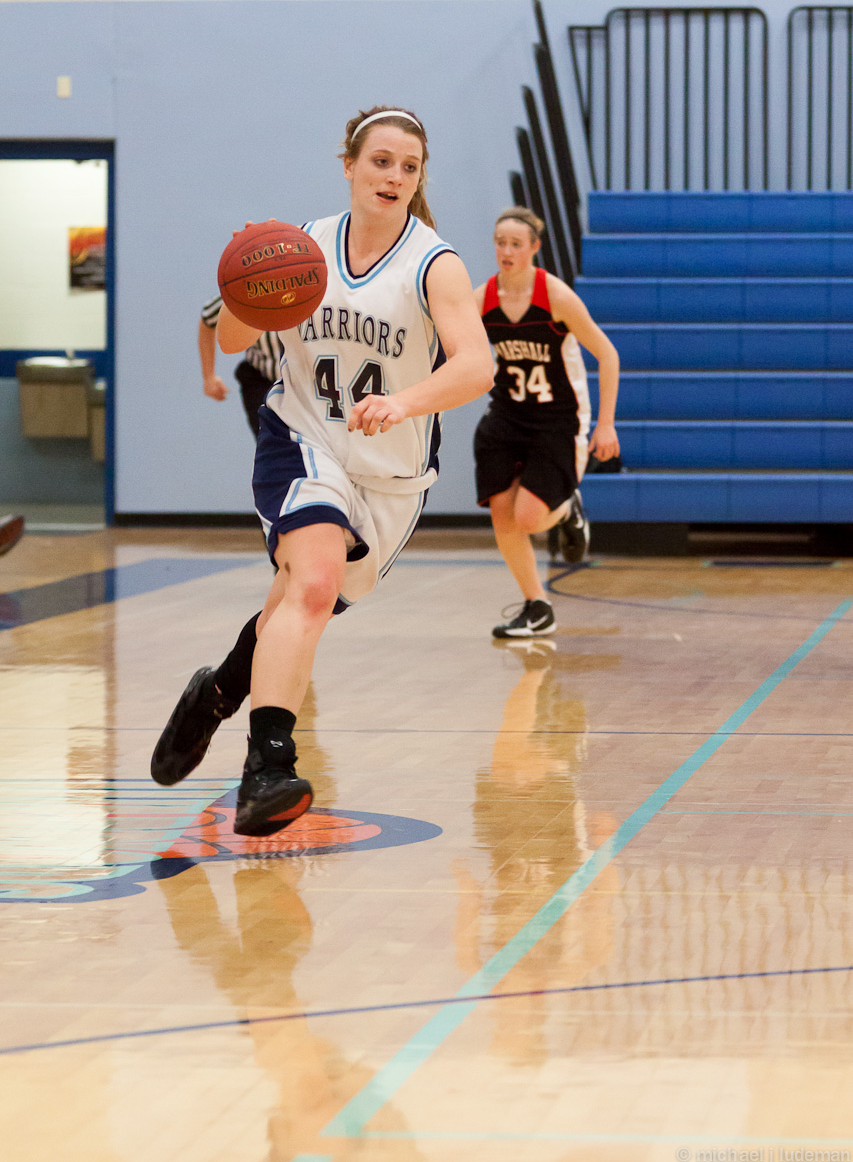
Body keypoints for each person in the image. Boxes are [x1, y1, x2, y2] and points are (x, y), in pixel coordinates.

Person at [151, 106, 494, 836]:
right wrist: (245, 281)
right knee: (311, 582)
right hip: (303, 438)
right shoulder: (301, 247)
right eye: (380, 161)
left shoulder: (434, 263)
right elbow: (235, 337)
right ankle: (268, 769)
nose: (394, 176)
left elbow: (476, 367)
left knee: (295, 606)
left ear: (419, 179)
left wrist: (403, 402)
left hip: (391, 475)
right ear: (349, 166)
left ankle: (216, 694)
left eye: (409, 166)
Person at [473, 207, 620, 640]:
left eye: (516, 244)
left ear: (535, 248)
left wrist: (606, 425)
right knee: (502, 513)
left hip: (558, 419)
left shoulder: (555, 297)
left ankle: (568, 509)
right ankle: (537, 605)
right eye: (500, 242)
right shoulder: (482, 299)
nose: (506, 251)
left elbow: (607, 355)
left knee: (530, 518)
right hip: (507, 415)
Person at [198, 295, 283, 437]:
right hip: (261, 379)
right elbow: (208, 317)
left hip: (308, 380)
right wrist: (208, 377)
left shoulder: (310, 286)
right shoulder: (245, 289)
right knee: (272, 443)